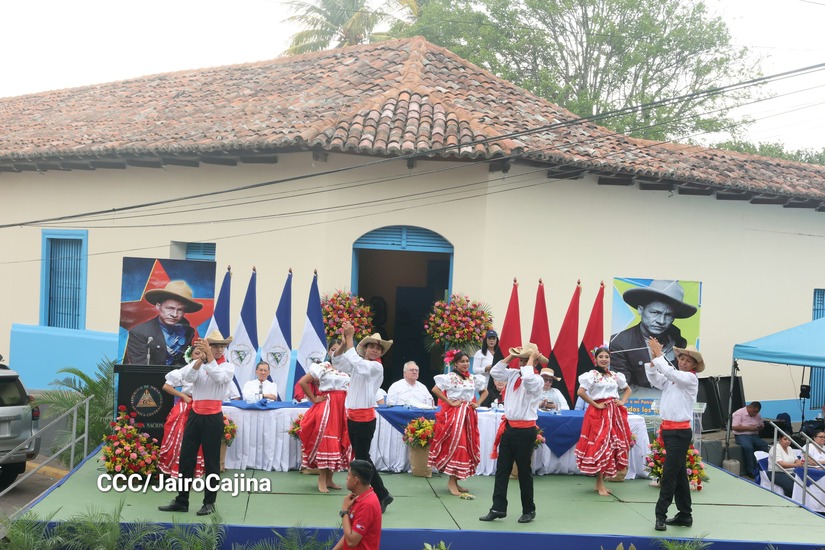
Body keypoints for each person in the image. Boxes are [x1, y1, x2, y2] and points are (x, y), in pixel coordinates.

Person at [158, 330, 235, 516]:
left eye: (220, 346)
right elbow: (185, 379)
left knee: (211, 462)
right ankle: (182, 500)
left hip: (213, 417)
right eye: (214, 345)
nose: (217, 349)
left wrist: (208, 357)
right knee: (186, 459)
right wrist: (200, 360)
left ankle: (209, 502)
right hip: (195, 415)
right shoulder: (198, 363)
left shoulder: (228, 367)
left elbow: (219, 378)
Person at [332, 323, 394, 513]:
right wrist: (344, 343)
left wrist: (350, 338)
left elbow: (357, 364)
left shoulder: (375, 367)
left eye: (378, 348)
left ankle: (380, 493)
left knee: (362, 459)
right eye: (371, 346)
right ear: (365, 348)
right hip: (354, 416)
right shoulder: (361, 363)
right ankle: (377, 494)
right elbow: (337, 362)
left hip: (364, 418)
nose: (375, 350)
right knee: (361, 457)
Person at [479, 344, 544, 524]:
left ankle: (529, 510)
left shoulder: (537, 380)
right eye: (521, 360)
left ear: (534, 362)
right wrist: (511, 355)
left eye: (526, 360)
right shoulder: (514, 373)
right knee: (502, 470)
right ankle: (498, 507)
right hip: (509, 428)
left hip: (525, 430)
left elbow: (529, 380)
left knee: (524, 471)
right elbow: (496, 372)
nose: (522, 363)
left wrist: (530, 360)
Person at [645, 339, 702, 532]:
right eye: (681, 358)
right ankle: (685, 515)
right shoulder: (674, 379)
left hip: (679, 433)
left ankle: (660, 515)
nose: (683, 362)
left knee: (669, 475)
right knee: (678, 474)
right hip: (669, 431)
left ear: (694, 365)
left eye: (688, 360)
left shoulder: (690, 379)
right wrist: (654, 360)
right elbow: (655, 379)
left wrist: (658, 354)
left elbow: (669, 371)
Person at [609, 280, 697, 388]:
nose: (661, 320)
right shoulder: (618, 343)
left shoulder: (679, 342)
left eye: (669, 315)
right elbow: (622, 389)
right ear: (641, 310)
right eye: (655, 313)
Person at [575, 346, 632, 497]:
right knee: (602, 444)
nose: (604, 359)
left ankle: (601, 482)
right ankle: (599, 483)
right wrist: (596, 404)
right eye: (601, 357)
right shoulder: (591, 375)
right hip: (598, 414)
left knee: (611, 445)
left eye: (606, 356)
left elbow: (627, 389)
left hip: (614, 413)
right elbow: (580, 392)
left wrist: (622, 401)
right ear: (595, 359)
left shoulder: (614, 375)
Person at [428, 350, 488, 496]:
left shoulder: (473, 378)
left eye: (467, 361)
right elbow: (435, 389)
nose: (465, 364)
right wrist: (449, 402)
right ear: (456, 363)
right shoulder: (450, 377)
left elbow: (485, 392)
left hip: (468, 415)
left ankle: (455, 481)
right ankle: (451, 481)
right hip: (455, 415)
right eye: (462, 361)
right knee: (457, 445)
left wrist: (477, 403)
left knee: (466, 445)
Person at [297, 339, 352, 493]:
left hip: (342, 407)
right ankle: (321, 479)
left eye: (340, 349)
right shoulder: (323, 366)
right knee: (327, 441)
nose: (336, 352)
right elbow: (303, 382)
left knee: (339, 440)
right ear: (329, 352)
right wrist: (314, 399)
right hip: (328, 406)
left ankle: (330, 479)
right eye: (333, 349)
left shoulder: (346, 369)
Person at [125, 280, 202, 365]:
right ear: (158, 306)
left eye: (180, 310)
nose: (174, 314)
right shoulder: (139, 333)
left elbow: (184, 364)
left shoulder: (188, 332)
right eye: (170, 308)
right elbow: (140, 368)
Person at [157, 366, 204, 478]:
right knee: (177, 434)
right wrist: (183, 395)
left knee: (199, 439)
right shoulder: (185, 370)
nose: (199, 356)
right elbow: (166, 386)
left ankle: (193, 474)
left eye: (201, 353)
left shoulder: (208, 370)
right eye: (196, 353)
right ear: (191, 356)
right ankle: (175, 471)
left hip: (201, 406)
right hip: (186, 404)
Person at [333, 459, 382, 550]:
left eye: (348, 475)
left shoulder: (367, 504)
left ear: (355, 480)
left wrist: (344, 511)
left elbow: (352, 541)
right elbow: (349, 533)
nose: (346, 478)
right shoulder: (359, 498)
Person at [732, 401, 769, 478]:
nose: (755, 414)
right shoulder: (739, 413)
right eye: (753, 412)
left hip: (754, 435)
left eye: (757, 412)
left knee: (764, 445)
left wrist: (761, 427)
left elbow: (762, 425)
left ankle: (763, 468)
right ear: (749, 407)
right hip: (741, 435)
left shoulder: (758, 415)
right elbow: (734, 427)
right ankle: (751, 470)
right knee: (748, 447)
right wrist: (749, 428)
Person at [474, 329, 505, 407]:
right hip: (485, 383)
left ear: (496, 340)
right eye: (489, 338)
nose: (491, 341)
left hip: (498, 384)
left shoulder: (500, 352)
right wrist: (485, 369)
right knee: (486, 403)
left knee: (497, 403)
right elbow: (475, 369)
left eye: (493, 339)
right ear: (486, 340)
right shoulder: (480, 353)